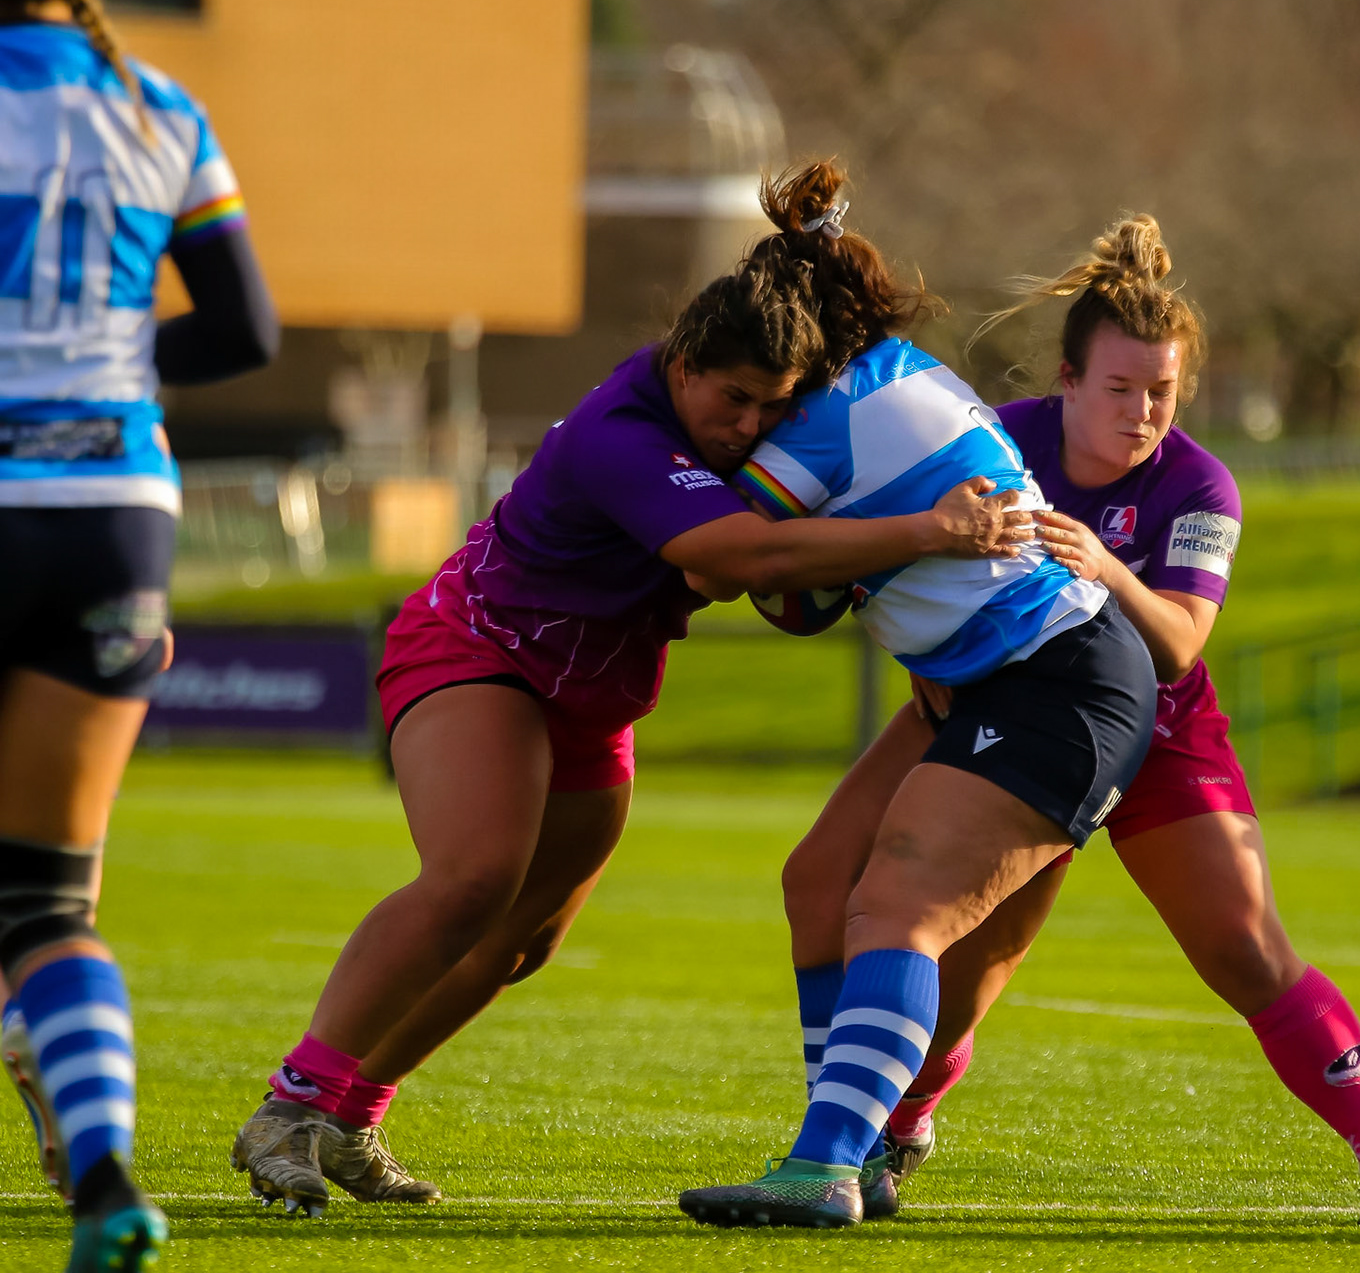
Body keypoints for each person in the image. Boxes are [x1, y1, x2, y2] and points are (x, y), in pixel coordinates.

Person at [227, 167, 1030, 1218]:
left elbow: (776, 560)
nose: (746, 425)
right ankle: (290, 1103)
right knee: (473, 875)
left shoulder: (746, 433)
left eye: (769, 407)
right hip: (479, 647)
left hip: (592, 690)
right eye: (731, 398)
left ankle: (349, 1111)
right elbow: (737, 557)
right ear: (684, 363)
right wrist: (932, 530)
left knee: (526, 935)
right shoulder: (626, 431)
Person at [771, 215, 1360, 1227]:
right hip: (991, 701)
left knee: (1244, 947)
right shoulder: (1003, 433)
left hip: (1156, 728)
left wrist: (1105, 565)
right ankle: (884, 1133)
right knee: (927, 944)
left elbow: (1180, 643)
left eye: (1163, 393)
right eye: (1121, 389)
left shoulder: (1197, 483)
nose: (1142, 414)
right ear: (1066, 381)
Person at [677, 170, 1159, 1230]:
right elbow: (800, 580)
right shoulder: (895, 371)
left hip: (1056, 677)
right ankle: (839, 1149)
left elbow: (723, 563)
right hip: (998, 678)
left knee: (898, 907)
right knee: (821, 880)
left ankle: (829, 1165)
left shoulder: (830, 419)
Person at [0, 0, 277, 1266]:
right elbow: (244, 331)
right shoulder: (162, 105)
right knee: (51, 898)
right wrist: (106, 360)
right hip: (117, 508)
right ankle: (104, 1171)